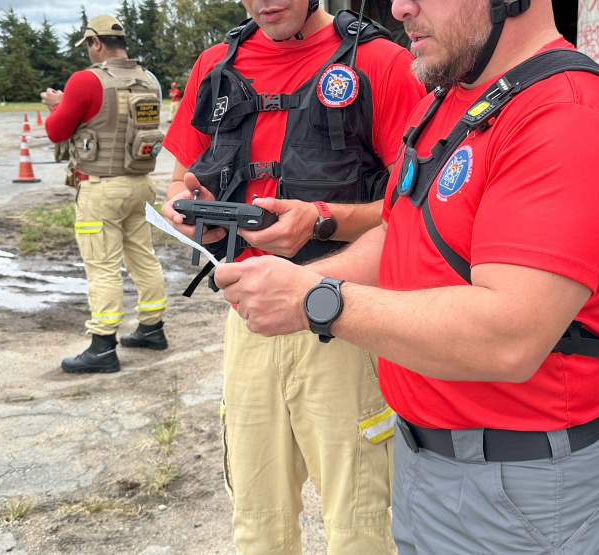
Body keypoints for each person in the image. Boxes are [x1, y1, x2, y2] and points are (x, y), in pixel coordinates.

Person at [210, 0, 599, 553]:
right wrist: (289, 280)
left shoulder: (565, 114)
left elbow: (509, 335)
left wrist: (319, 299)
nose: (400, 7)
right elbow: (399, 235)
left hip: (515, 483)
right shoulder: (454, 100)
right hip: (424, 458)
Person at [160, 0, 425, 552]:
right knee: (256, 519)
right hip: (249, 317)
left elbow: (420, 211)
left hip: (347, 318)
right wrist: (194, 213)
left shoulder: (383, 63)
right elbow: (180, 181)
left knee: (358, 524)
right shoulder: (216, 65)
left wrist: (324, 222)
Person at [42, 14, 169, 374]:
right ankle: (151, 328)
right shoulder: (149, 79)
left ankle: (102, 346)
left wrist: (57, 103)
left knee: (102, 266)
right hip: (141, 183)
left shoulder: (85, 81)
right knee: (143, 257)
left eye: (87, 45)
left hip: (101, 187)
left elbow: (57, 130)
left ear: (95, 42)